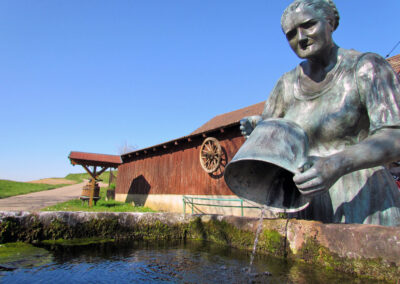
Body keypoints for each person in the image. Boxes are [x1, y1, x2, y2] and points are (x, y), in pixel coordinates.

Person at [241, 0, 400, 226]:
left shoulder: (366, 67)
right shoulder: (285, 84)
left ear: (330, 22)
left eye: (309, 25)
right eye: (291, 34)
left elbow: (395, 136)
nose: (301, 38)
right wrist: (261, 128)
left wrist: (336, 164)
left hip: (362, 198)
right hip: (305, 201)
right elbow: (275, 141)